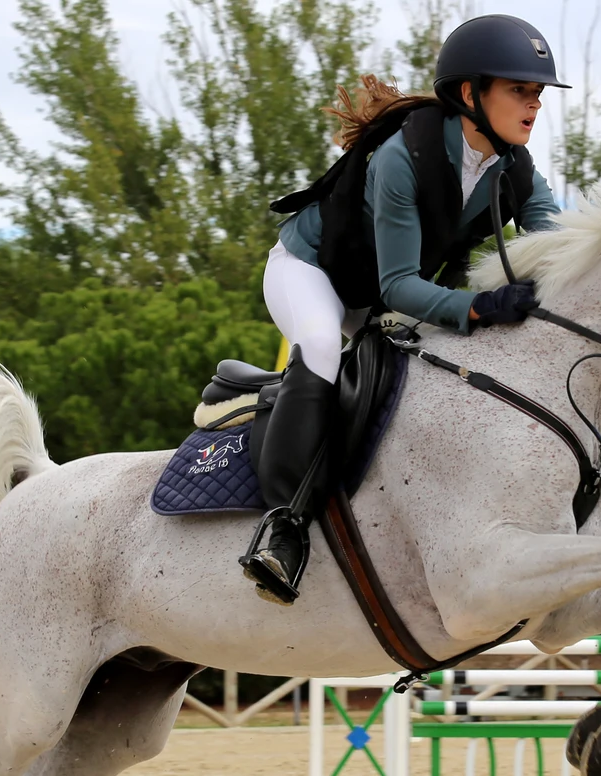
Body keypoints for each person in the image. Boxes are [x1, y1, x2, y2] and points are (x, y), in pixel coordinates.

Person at [241, 13, 568, 605]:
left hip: (376, 294)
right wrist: (479, 305)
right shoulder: (402, 157)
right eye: (520, 90)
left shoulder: (514, 168)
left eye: (538, 93)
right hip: (310, 270)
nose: (534, 104)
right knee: (319, 345)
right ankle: (283, 528)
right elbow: (399, 287)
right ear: (470, 94)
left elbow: (561, 247)